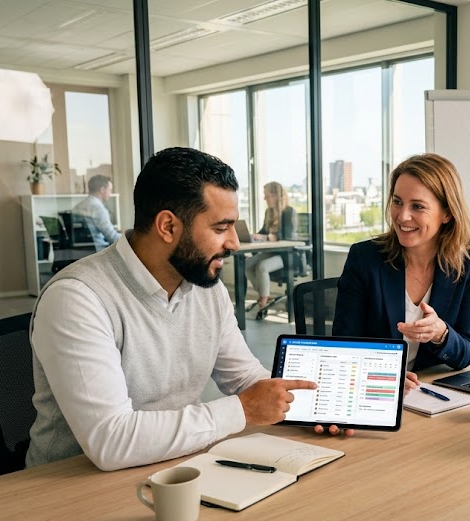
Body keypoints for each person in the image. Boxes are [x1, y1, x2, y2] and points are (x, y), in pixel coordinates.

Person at [27, 147, 330, 471]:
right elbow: (111, 441)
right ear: (168, 227)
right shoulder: (76, 299)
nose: (234, 243)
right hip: (72, 484)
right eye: (220, 228)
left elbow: (244, 378)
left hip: (178, 464)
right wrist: (241, 410)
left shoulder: (205, 287)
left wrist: (315, 408)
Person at [333, 153, 470, 375]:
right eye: (397, 202)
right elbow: (344, 347)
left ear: (447, 213)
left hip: (428, 389)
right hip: (375, 388)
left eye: (417, 206)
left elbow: (466, 354)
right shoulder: (365, 258)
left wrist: (441, 333)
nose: (403, 216)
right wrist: (388, 377)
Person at [244, 182, 297, 311]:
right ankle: (264, 294)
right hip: (271, 252)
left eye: (267, 196)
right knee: (246, 265)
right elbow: (264, 232)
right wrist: (254, 236)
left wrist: (268, 237)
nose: (264, 199)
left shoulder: (289, 212)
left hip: (287, 255)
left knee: (262, 266)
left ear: (276, 196)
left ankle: (263, 300)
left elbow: (287, 234)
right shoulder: (269, 212)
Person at [73, 174, 121, 248]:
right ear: (102, 190)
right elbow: (113, 238)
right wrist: (131, 237)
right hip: (99, 250)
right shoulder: (98, 208)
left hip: (82, 251)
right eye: (110, 190)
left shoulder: (78, 206)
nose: (110, 194)